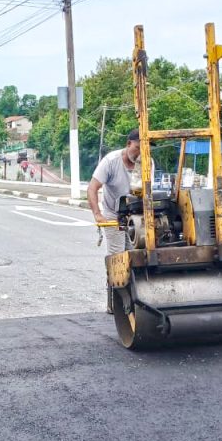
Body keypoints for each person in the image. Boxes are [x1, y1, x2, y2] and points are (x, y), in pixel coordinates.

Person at [86, 129, 141, 312]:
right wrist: (97, 214)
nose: (139, 153)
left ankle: (135, 298)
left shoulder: (147, 162)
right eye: (137, 148)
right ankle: (114, 302)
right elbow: (92, 188)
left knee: (135, 255)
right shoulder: (111, 161)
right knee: (117, 257)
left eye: (143, 149)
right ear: (128, 144)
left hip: (136, 215)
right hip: (113, 214)